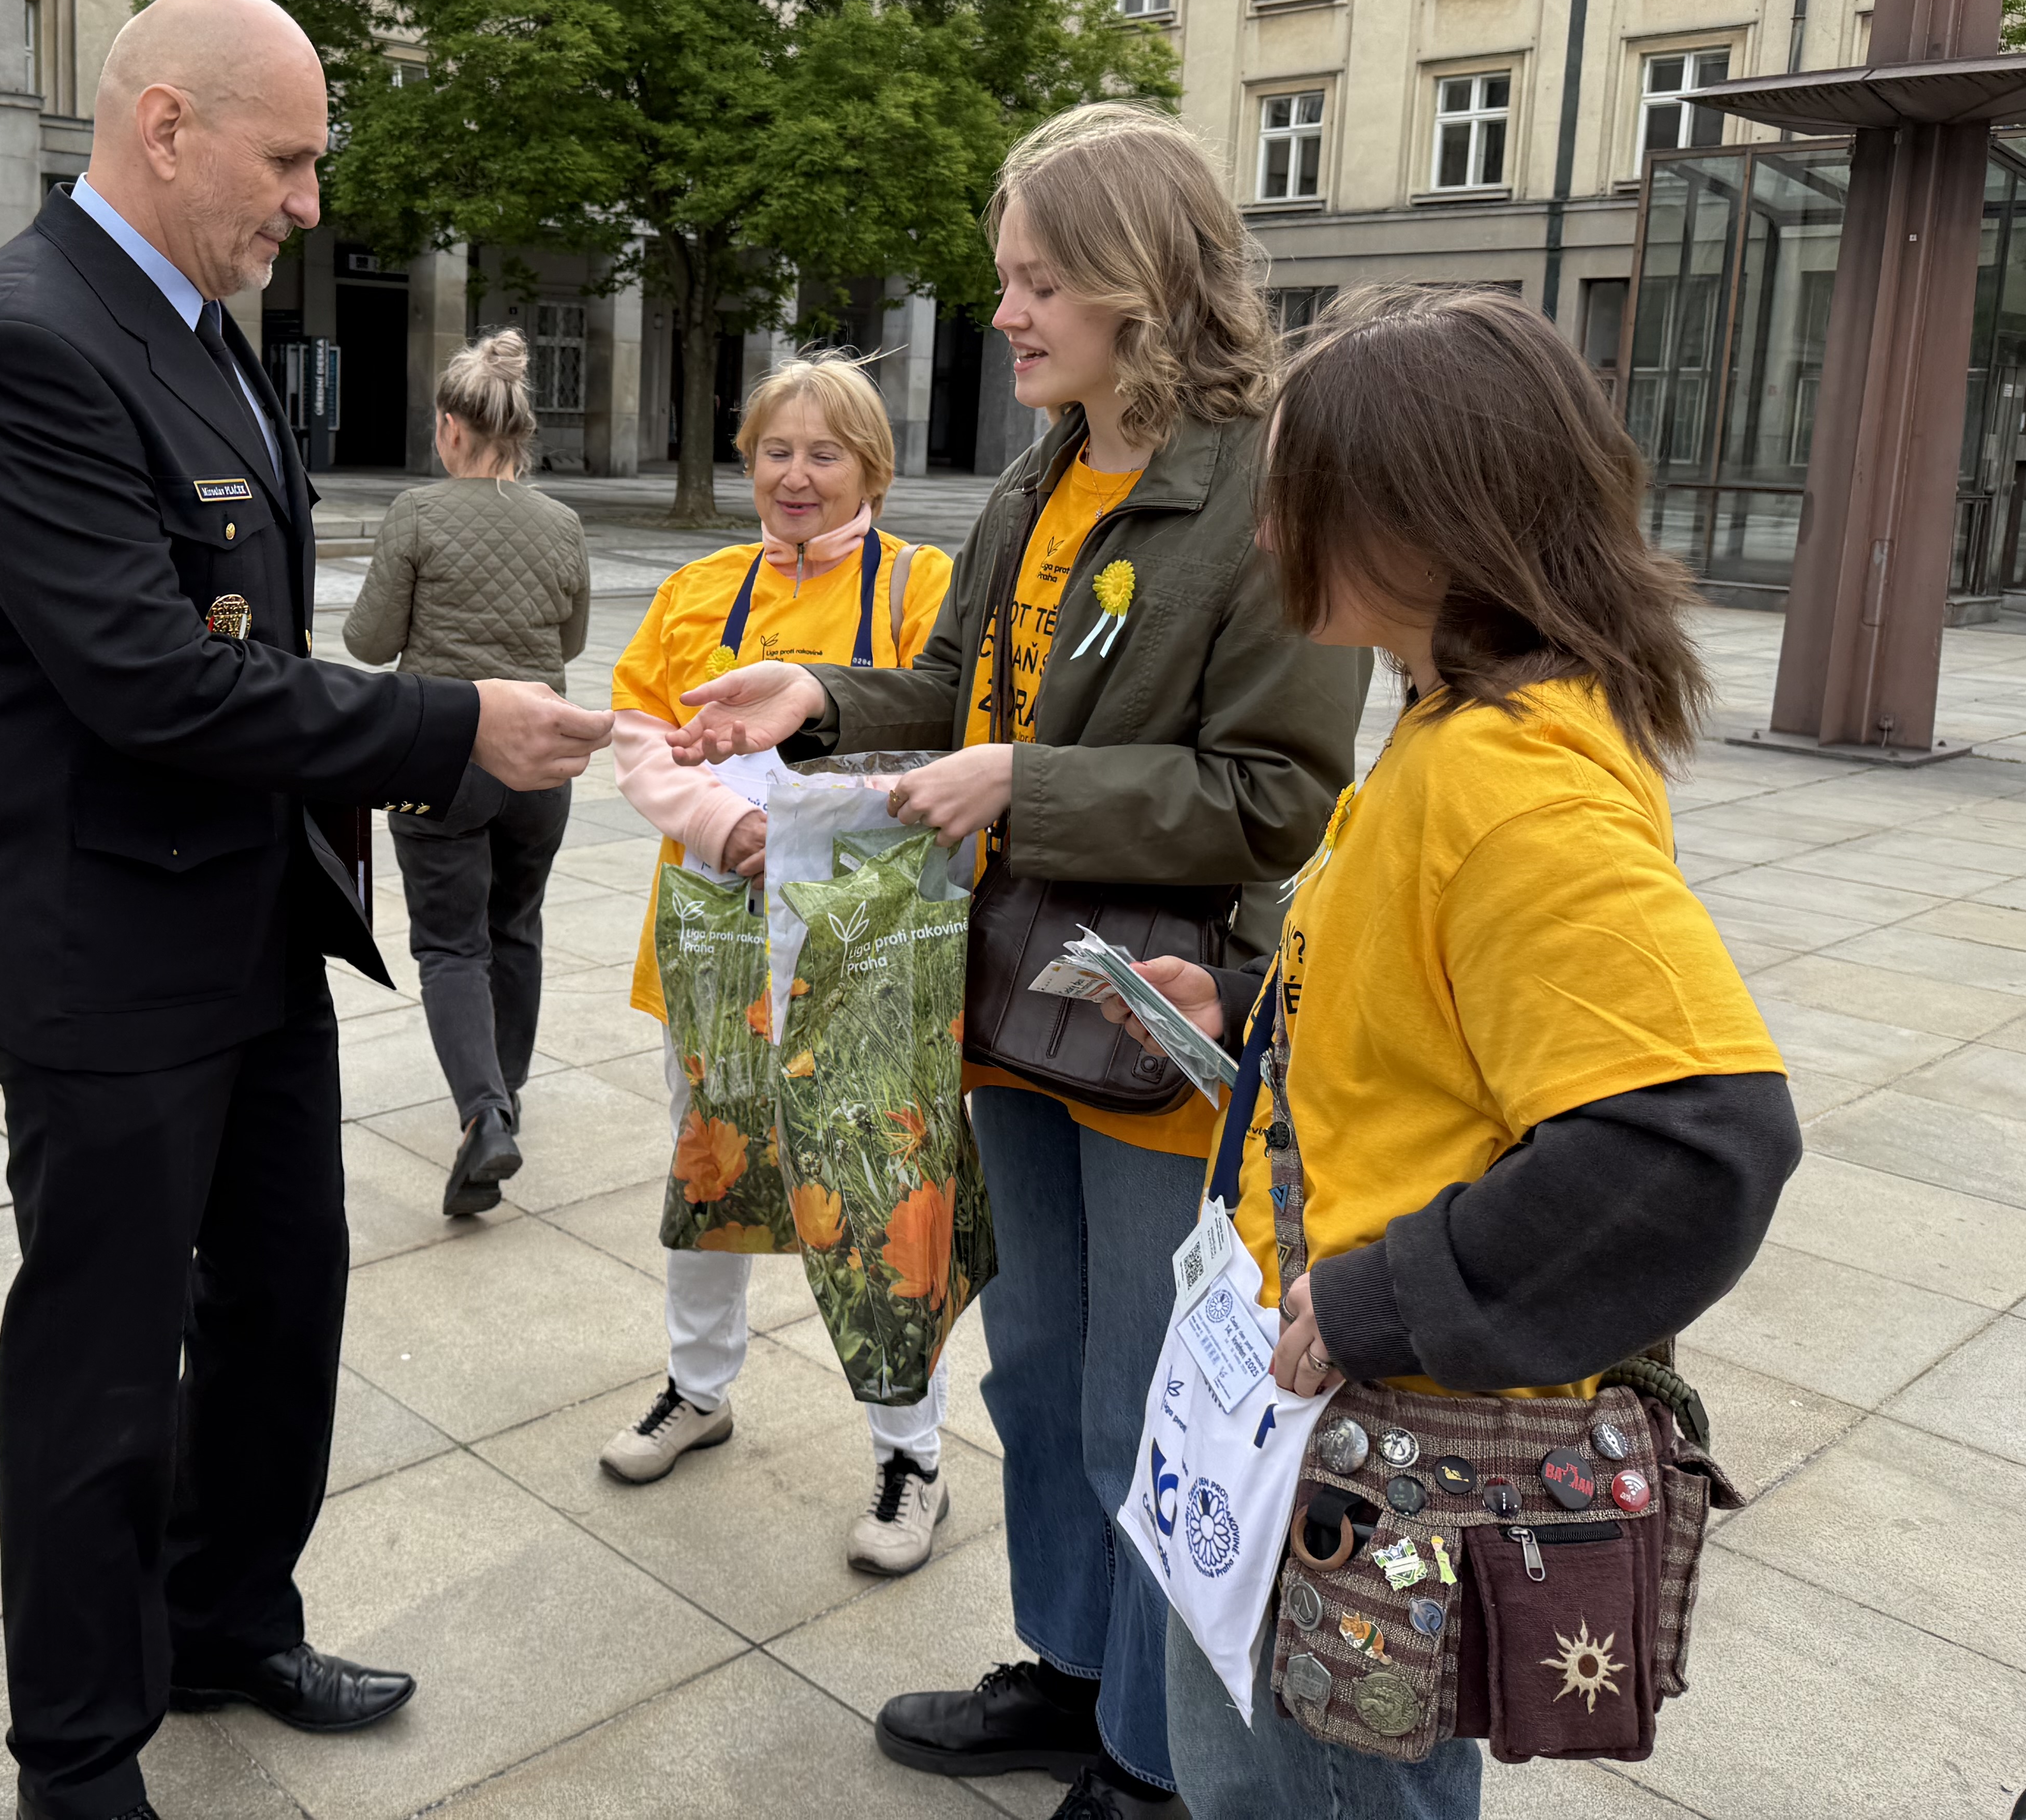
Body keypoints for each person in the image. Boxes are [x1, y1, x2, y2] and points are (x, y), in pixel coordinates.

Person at [0, 0, 610, 1820]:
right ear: (166, 126)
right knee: (103, 1373)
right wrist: (452, 726)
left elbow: (257, 645)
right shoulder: (18, 341)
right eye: (286, 161)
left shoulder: (202, 332)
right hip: (104, 956)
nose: (306, 202)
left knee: (285, 1312)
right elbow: (149, 680)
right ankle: (77, 1759)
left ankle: (224, 1620)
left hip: (250, 928)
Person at [672, 107, 1369, 1816]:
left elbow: (1276, 795)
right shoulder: (1042, 471)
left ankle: (1146, 1750)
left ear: (1140, 277)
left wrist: (1026, 785)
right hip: (1012, 1002)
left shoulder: (1268, 491)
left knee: (1142, 1395)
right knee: (1039, 1368)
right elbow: (963, 692)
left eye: (1040, 280)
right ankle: (1069, 1665)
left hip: (1158, 1026)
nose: (1006, 313)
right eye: (1007, 277)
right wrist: (820, 696)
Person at [1099, 284, 1799, 1819]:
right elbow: (1432, 1010)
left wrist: (1390, 1298)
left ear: (1419, 519)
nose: (1266, 525)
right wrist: (1247, 1001)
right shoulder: (1452, 724)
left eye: (1298, 490)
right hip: (1313, 1424)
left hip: (1368, 1443)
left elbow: (1698, 1141)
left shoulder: (1512, 783)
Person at [599, 352, 963, 1572]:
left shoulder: (920, 587)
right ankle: (698, 1390)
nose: (795, 476)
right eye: (774, 450)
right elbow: (641, 735)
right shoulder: (700, 588)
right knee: (713, 1171)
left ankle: (912, 1455)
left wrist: (809, 831)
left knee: (884, 1198)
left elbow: (951, 732)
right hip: (712, 941)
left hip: (862, 956)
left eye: (825, 453)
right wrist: (727, 826)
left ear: (873, 467)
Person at [342, 329, 591, 1215]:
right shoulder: (562, 523)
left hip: (442, 753)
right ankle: (506, 1096)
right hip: (543, 755)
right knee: (515, 926)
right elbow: (571, 642)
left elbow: (368, 641)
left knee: (451, 943)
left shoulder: (417, 513)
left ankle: (482, 1113)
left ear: (451, 426)